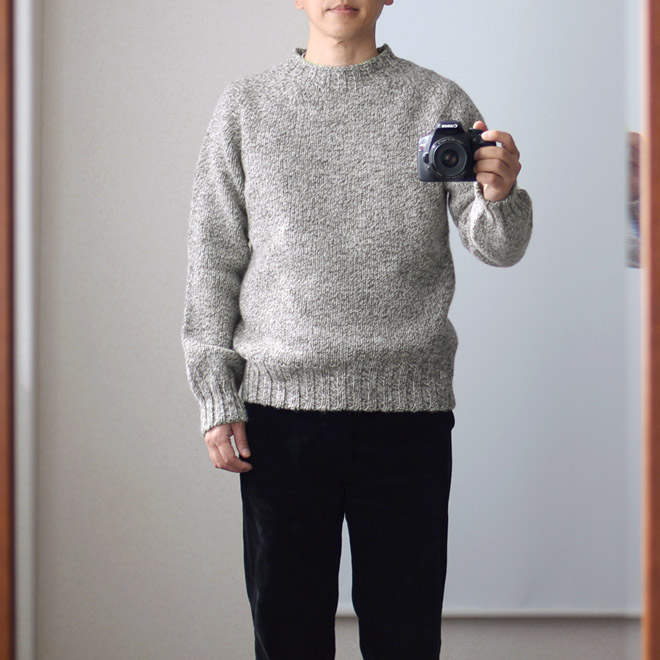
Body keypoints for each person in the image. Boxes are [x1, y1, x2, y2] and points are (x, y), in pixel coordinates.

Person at [181, 1, 533, 658]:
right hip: (278, 417)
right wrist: (216, 396)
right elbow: (213, 258)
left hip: (407, 417)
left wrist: (501, 194)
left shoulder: (437, 102)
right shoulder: (246, 108)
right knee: (287, 638)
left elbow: (498, 246)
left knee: (405, 639)